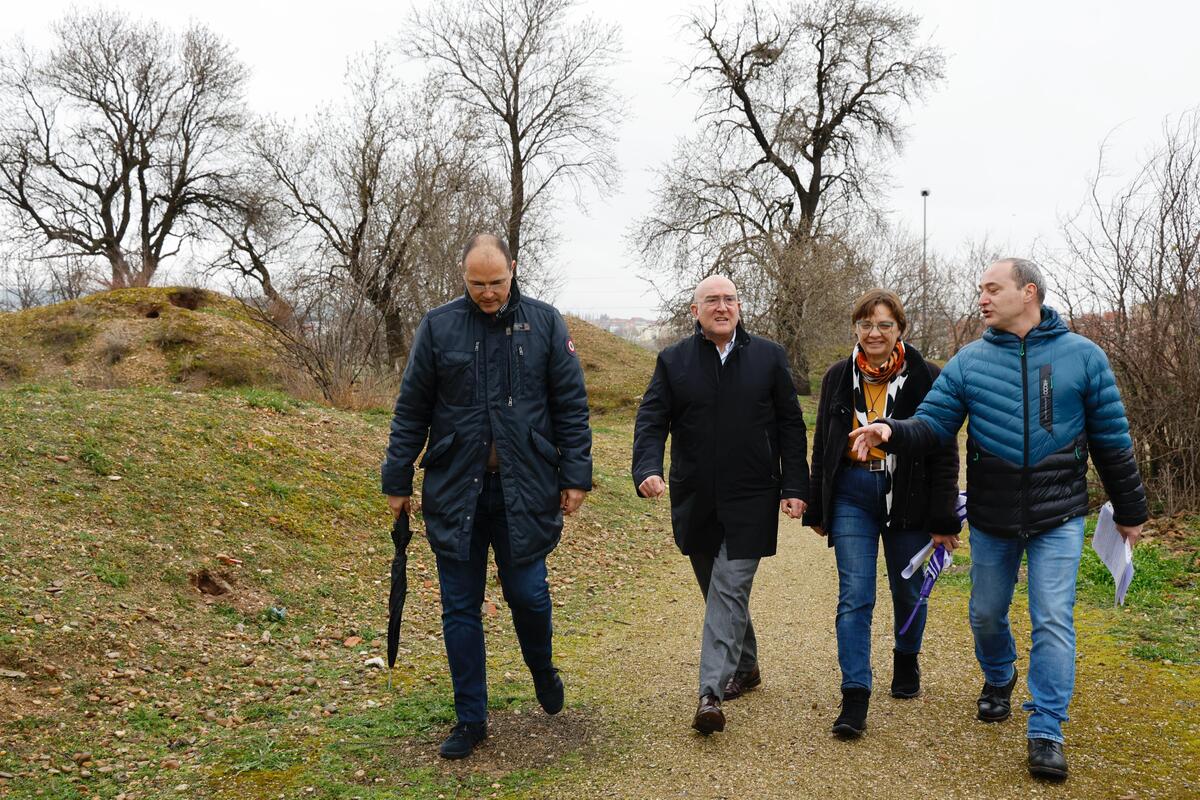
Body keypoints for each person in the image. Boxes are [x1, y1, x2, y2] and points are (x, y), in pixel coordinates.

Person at [850, 258, 1147, 781]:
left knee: (1052, 617)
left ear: (1028, 293)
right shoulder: (969, 362)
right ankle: (999, 675)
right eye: (980, 290)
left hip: (1059, 516)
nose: (982, 298)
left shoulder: (1084, 356)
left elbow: (1112, 440)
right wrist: (889, 430)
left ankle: (1047, 728)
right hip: (991, 515)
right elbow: (934, 425)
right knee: (986, 613)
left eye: (992, 289)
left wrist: (1130, 510)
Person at [382, 234, 592, 760]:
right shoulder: (438, 326)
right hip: (456, 489)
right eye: (477, 283)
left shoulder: (545, 323)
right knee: (459, 607)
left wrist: (576, 476)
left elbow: (570, 405)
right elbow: (412, 409)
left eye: (497, 282)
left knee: (528, 593)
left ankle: (542, 668)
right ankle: (470, 719)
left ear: (513, 269)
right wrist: (396, 478)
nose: (488, 293)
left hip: (527, 487)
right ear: (463, 275)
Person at [632, 275, 809, 735]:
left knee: (729, 588)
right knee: (717, 589)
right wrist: (647, 469)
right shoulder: (674, 361)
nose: (722, 306)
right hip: (697, 498)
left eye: (730, 299)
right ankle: (747, 666)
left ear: (740, 307)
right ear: (695, 311)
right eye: (712, 300)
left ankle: (710, 691)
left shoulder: (769, 357)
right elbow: (652, 419)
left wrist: (796, 487)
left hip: (753, 496)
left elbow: (792, 425)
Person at [803, 289, 961, 738]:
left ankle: (906, 656)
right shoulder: (838, 376)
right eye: (866, 324)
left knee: (908, 592)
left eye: (885, 325)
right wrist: (818, 504)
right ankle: (855, 695)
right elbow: (824, 443)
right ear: (855, 328)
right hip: (852, 493)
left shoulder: (926, 376)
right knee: (855, 594)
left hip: (908, 496)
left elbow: (943, 448)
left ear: (900, 331)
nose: (875, 333)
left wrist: (943, 516)